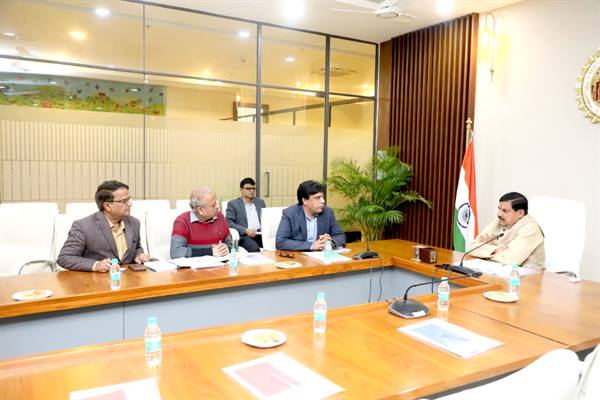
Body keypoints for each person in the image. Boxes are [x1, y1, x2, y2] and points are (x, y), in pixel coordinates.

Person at [57, 180, 150, 272]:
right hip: (96, 279)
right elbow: (65, 258)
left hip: (129, 278)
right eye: (124, 201)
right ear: (107, 206)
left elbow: (137, 247)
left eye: (129, 199)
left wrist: (139, 255)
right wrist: (96, 265)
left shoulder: (134, 223)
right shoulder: (83, 226)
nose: (130, 204)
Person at [467, 192, 545, 269]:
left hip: (527, 274)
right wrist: (496, 249)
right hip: (495, 269)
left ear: (520, 213)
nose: (499, 214)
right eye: (499, 209)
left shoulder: (530, 228)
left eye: (504, 211)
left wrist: (486, 250)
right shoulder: (500, 220)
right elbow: (471, 247)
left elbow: (511, 260)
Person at [276, 180, 346, 251]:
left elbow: (340, 236)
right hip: (299, 255)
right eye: (318, 198)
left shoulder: (328, 212)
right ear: (305, 201)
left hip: (321, 255)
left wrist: (330, 242)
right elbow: (281, 242)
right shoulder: (290, 213)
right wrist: (312, 245)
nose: (323, 201)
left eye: (323, 197)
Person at [171, 186, 231, 258]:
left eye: (217, 202)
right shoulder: (182, 222)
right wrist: (210, 252)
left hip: (220, 263)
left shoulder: (220, 217)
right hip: (194, 265)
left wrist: (227, 248)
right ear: (200, 210)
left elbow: (231, 244)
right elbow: (176, 252)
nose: (218, 206)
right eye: (213, 205)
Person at [226, 177, 266, 252]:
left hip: (260, 233)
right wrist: (245, 230)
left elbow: (265, 218)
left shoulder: (260, 202)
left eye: (253, 189)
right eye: (248, 189)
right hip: (245, 235)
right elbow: (229, 223)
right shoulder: (233, 204)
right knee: (254, 249)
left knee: (275, 244)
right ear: (241, 190)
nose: (252, 191)